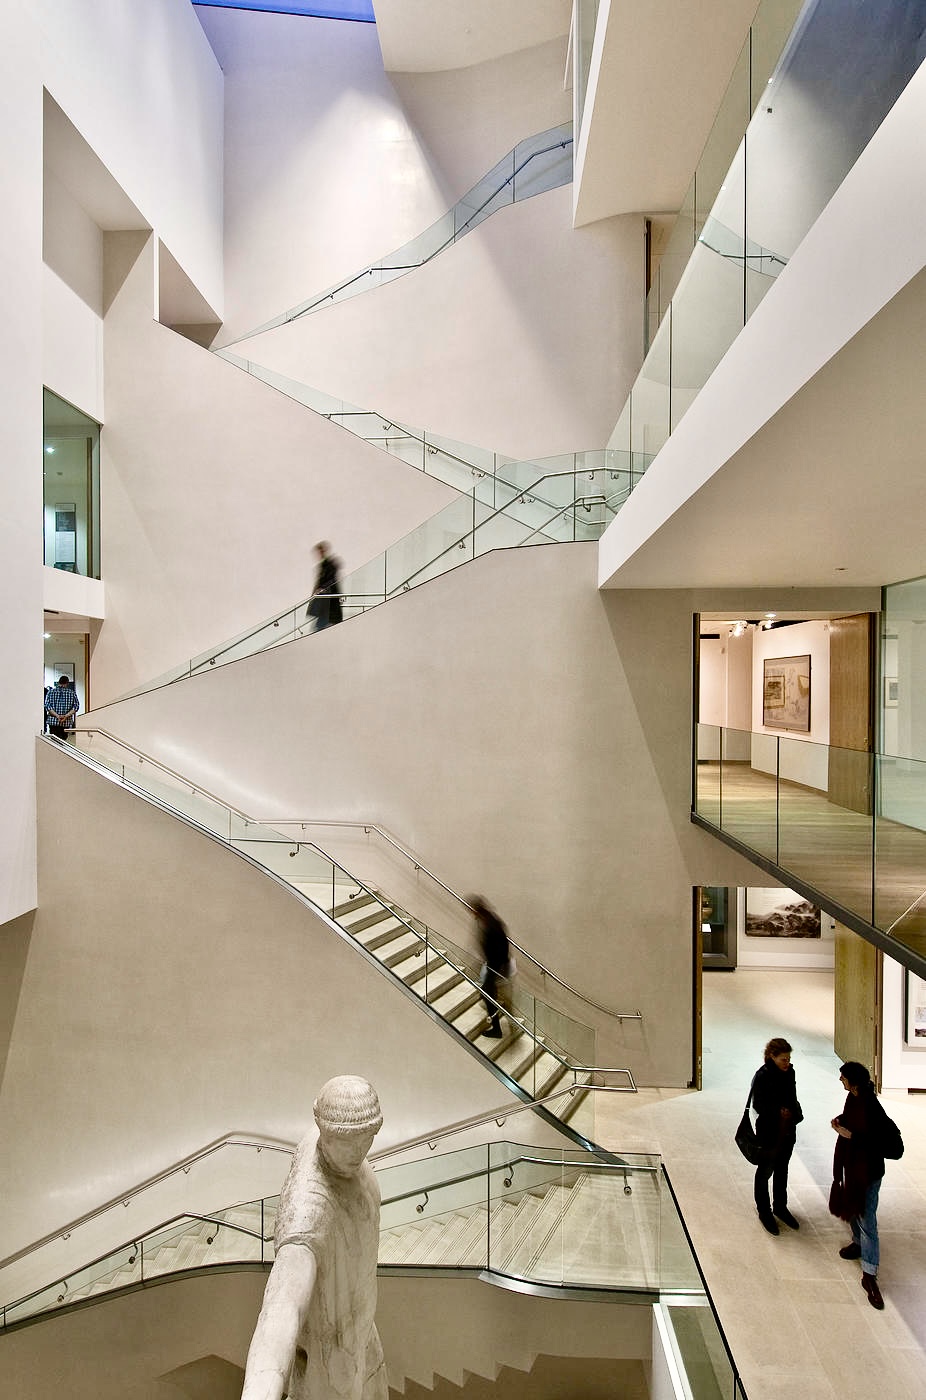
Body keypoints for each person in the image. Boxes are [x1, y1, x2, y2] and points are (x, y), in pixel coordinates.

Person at [241, 1075, 387, 1400]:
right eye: (346, 1140)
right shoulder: (309, 1210)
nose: (359, 1150)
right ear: (324, 1129)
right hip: (330, 1361)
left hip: (361, 1336)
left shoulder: (337, 1151)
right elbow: (282, 1307)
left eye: (366, 1138)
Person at [830, 1060, 886, 1310]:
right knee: (853, 1207)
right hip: (853, 1166)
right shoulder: (854, 1098)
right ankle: (857, 1243)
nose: (840, 1080)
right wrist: (840, 1122)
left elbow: (875, 1138)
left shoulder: (870, 1105)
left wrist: (851, 1135)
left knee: (867, 1219)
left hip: (868, 1170)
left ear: (852, 1081)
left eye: (843, 1077)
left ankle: (870, 1273)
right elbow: (852, 1120)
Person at [750, 1036, 803, 1235]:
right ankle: (764, 1210)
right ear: (772, 1056)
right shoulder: (762, 1075)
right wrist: (778, 1112)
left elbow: (793, 1097)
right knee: (765, 1171)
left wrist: (794, 1115)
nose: (787, 1063)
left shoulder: (790, 1072)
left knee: (782, 1168)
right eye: (783, 1059)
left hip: (787, 1130)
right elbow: (758, 1105)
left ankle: (781, 1206)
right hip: (769, 1131)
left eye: (788, 1059)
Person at [471, 896, 514, 1039]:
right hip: (495, 964)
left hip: (496, 966)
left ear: (477, 910)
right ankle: (504, 1021)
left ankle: (497, 1029)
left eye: (473, 911)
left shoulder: (490, 924)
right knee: (488, 991)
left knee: (487, 994)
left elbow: (501, 946)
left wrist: (495, 967)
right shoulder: (489, 920)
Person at [306, 541, 343, 631]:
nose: (318, 555)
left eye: (320, 552)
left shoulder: (330, 564)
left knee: (320, 626)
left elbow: (332, 580)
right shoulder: (323, 565)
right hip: (325, 602)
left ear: (324, 551)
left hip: (328, 602)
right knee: (320, 626)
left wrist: (321, 589)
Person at [44, 675, 79, 740]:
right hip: (66, 721)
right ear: (67, 683)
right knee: (63, 741)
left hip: (53, 721)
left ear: (58, 682)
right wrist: (66, 716)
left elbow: (47, 706)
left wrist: (57, 716)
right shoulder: (72, 693)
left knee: (54, 741)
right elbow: (76, 707)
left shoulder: (50, 692)